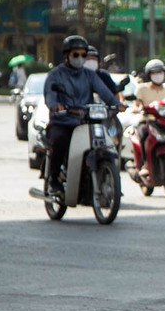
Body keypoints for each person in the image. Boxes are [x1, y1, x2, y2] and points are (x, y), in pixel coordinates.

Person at [42, 36, 119, 197]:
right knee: (60, 140)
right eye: (76, 55)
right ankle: (53, 181)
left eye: (83, 55)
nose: (80, 58)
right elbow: (50, 95)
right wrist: (55, 105)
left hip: (85, 122)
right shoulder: (55, 75)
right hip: (63, 122)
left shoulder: (89, 75)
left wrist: (116, 104)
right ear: (67, 55)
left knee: (104, 142)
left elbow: (104, 92)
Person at [133, 58, 165, 158]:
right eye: (154, 73)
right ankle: (145, 163)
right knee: (143, 134)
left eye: (160, 72)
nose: (158, 75)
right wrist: (138, 109)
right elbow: (136, 104)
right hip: (147, 121)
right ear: (149, 75)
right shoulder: (142, 88)